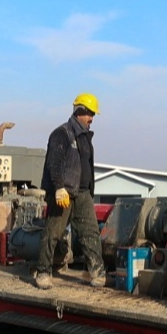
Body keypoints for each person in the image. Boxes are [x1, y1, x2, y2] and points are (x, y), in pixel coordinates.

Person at [36, 93, 106, 290]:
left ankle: (98, 274)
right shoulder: (62, 133)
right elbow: (54, 163)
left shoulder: (84, 137)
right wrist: (59, 188)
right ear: (80, 111)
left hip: (82, 193)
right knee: (53, 232)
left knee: (90, 233)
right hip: (64, 192)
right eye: (91, 114)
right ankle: (43, 272)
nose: (92, 118)